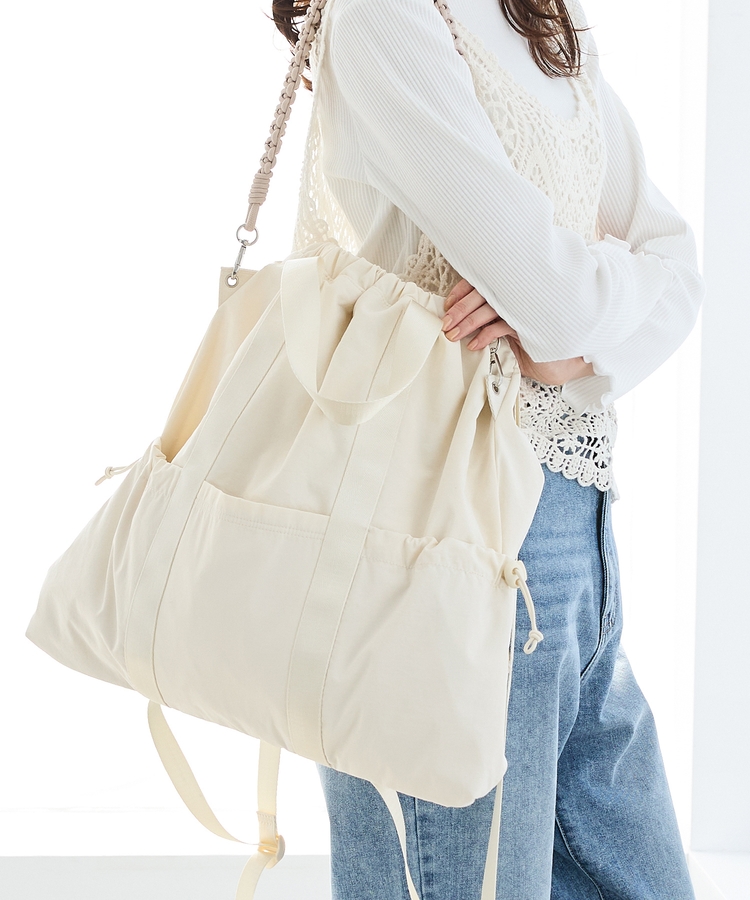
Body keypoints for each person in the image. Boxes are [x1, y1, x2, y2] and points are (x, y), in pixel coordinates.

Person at [273, 0, 704, 897]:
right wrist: (575, 306)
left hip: (576, 539)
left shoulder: (546, 17)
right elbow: (552, 289)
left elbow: (675, 266)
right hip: (436, 531)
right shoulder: (384, 17)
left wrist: (573, 343)